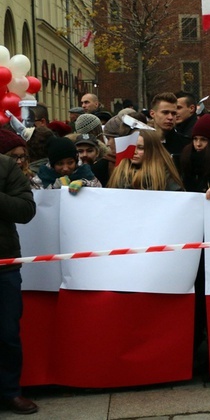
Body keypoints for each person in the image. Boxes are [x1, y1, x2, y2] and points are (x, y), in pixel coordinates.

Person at [0, 151, 37, 414]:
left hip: (3, 267)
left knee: (7, 334)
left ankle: (10, 392)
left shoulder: (5, 165)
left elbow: (25, 210)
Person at [107, 130, 184, 191]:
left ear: (153, 151)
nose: (134, 152)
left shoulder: (165, 176)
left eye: (140, 148)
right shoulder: (119, 173)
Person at [35, 136, 101, 193]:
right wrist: (53, 188)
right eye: (60, 164)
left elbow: (99, 191)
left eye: (70, 162)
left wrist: (84, 184)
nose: (65, 168)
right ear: (52, 164)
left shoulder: (85, 172)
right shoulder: (42, 177)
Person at [150, 92, 190, 158]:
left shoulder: (186, 145)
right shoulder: (139, 142)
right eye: (165, 112)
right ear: (152, 114)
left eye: (174, 113)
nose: (170, 117)